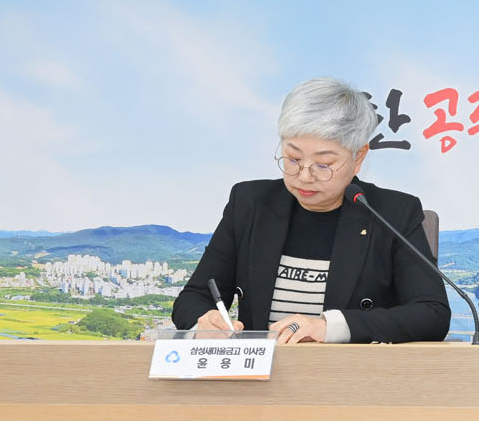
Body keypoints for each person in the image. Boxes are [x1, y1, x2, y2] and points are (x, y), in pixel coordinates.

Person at [171, 77, 451, 344]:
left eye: (323, 164)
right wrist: (204, 322)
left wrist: (329, 327)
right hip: (261, 372)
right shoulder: (250, 203)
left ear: (358, 157)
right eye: (293, 159)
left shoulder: (393, 213)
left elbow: (432, 313)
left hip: (350, 374)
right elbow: (194, 297)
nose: (304, 176)